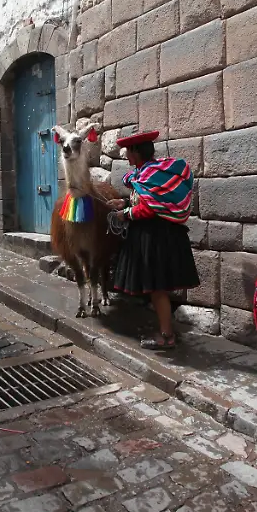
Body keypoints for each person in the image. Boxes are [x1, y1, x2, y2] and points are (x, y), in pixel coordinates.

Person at [106, 131, 200, 349]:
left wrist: (126, 214)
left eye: (128, 152)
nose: (127, 157)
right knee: (157, 288)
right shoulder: (145, 174)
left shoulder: (150, 174)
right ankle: (166, 330)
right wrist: (123, 203)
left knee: (157, 289)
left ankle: (167, 336)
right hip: (159, 236)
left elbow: (148, 209)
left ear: (137, 151)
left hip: (156, 239)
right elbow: (147, 200)